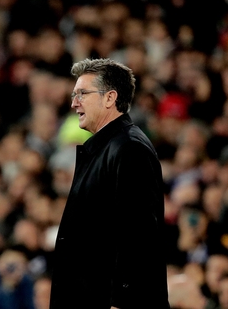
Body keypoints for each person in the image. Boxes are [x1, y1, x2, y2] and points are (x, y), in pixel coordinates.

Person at [50, 58, 169, 309]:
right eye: (74, 95)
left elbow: (137, 234)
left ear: (110, 98)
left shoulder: (129, 148)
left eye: (82, 94)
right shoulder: (110, 147)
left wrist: (122, 302)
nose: (74, 103)